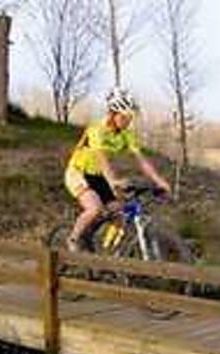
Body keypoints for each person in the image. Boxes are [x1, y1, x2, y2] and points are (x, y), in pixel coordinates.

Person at [64, 87, 172, 252]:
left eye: (130, 117)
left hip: (98, 176)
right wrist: (113, 181)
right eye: (124, 117)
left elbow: (142, 161)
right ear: (113, 114)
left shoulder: (126, 134)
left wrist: (159, 181)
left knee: (120, 213)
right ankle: (73, 239)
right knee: (94, 208)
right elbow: (101, 158)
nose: (128, 121)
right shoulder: (96, 129)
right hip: (78, 173)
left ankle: (106, 252)